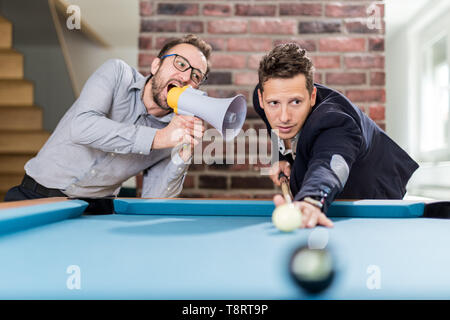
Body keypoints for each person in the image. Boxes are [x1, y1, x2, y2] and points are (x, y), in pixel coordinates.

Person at [4, 34, 210, 202]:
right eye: (180, 64)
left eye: (196, 77)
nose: (185, 78)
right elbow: (81, 127)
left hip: (95, 212)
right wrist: (158, 138)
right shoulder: (117, 74)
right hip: (34, 195)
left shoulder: (174, 133)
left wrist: (183, 154)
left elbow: (154, 200)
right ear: (156, 66)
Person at [253, 43, 419, 228]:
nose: (283, 117)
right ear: (261, 98)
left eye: (296, 102)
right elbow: (279, 128)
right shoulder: (267, 93)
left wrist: (312, 201)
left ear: (312, 96)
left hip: (371, 196)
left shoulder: (336, 122)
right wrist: (282, 157)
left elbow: (331, 164)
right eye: (274, 103)